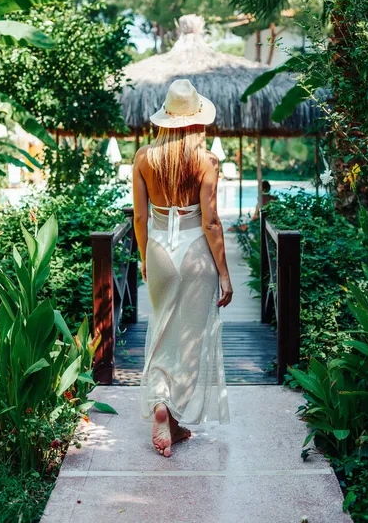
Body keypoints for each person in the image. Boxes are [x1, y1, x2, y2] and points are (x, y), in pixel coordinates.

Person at [132, 79, 233, 458]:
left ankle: (165, 413)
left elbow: (141, 217)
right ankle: (170, 411)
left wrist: (145, 256)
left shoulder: (144, 157)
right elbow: (210, 222)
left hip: (159, 249)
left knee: (161, 330)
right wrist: (224, 273)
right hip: (195, 253)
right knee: (189, 339)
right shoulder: (207, 161)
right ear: (196, 121)